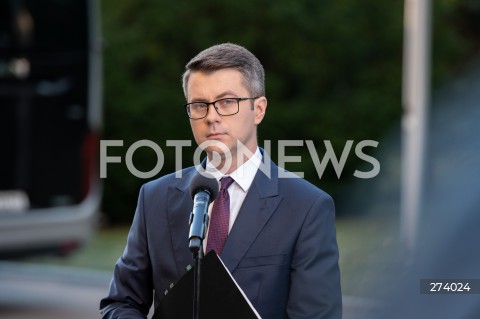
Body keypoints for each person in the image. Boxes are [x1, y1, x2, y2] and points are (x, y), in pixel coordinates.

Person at [100, 43, 342, 319]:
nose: (211, 117)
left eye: (227, 102)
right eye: (199, 105)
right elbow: (120, 304)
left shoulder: (307, 207)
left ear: (259, 109)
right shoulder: (154, 197)